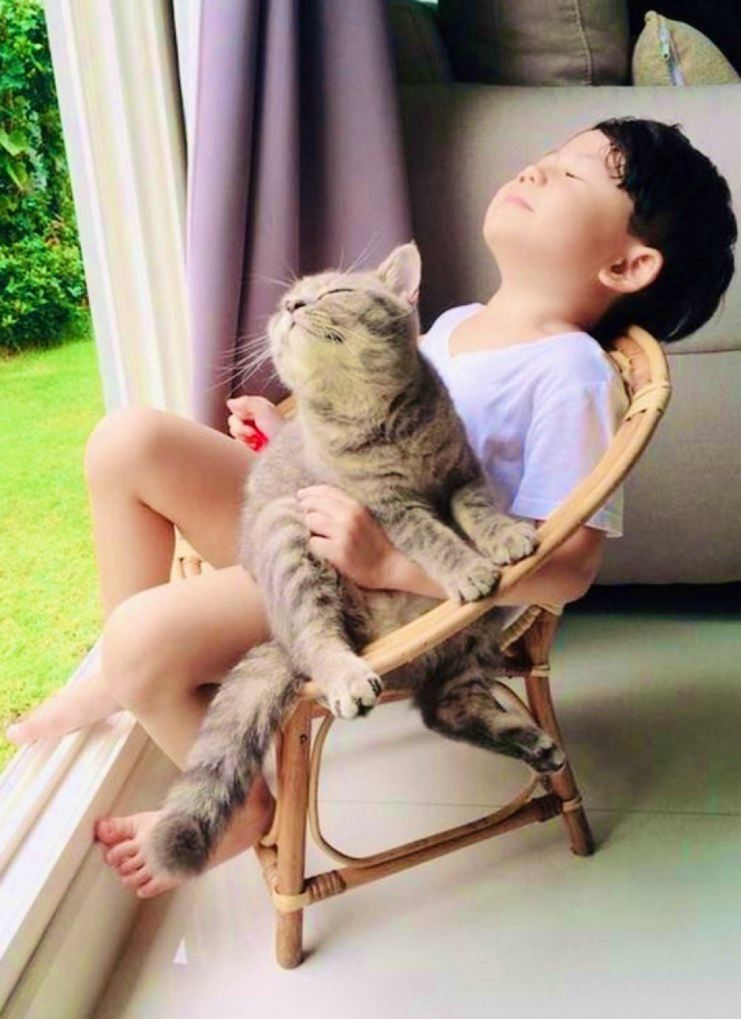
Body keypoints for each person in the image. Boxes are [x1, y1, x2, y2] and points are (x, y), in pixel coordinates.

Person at [7, 118, 736, 898]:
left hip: (382, 594)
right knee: (130, 442)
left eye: (571, 176)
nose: (535, 169)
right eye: (544, 156)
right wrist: (286, 436)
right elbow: (381, 441)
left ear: (627, 263)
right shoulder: (456, 325)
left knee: (140, 636)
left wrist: (386, 562)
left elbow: (567, 571)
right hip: (319, 528)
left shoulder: (570, 374)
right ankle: (130, 674)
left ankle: (244, 804)